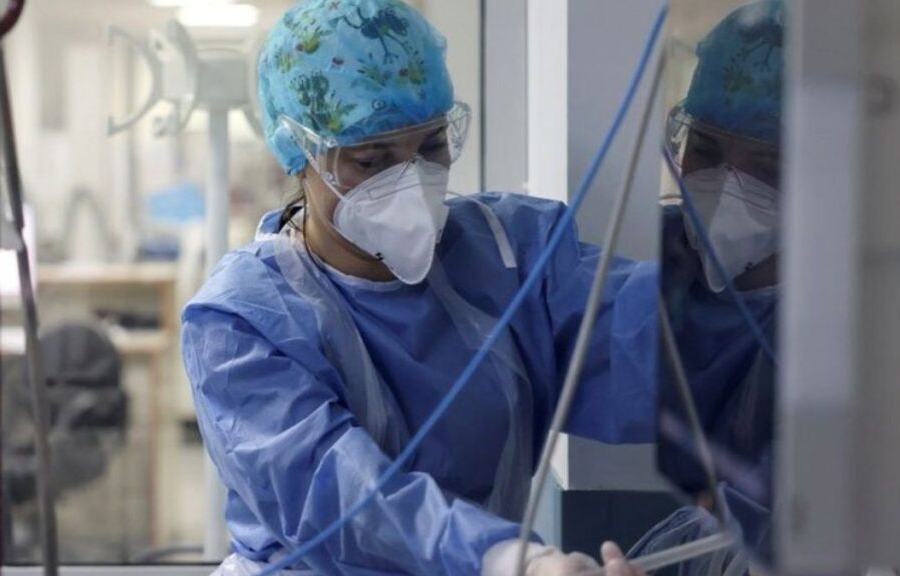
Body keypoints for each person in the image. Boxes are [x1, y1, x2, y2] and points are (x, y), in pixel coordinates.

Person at [181, 0, 659, 574]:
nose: (411, 181)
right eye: (370, 160)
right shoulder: (243, 321)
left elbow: (658, 342)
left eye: (431, 147)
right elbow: (335, 494)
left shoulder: (510, 254)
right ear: (300, 154)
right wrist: (504, 557)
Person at [634, 0, 784, 572]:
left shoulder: (860, 316)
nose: (727, 186)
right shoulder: (645, 261)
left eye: (767, 166)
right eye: (706, 149)